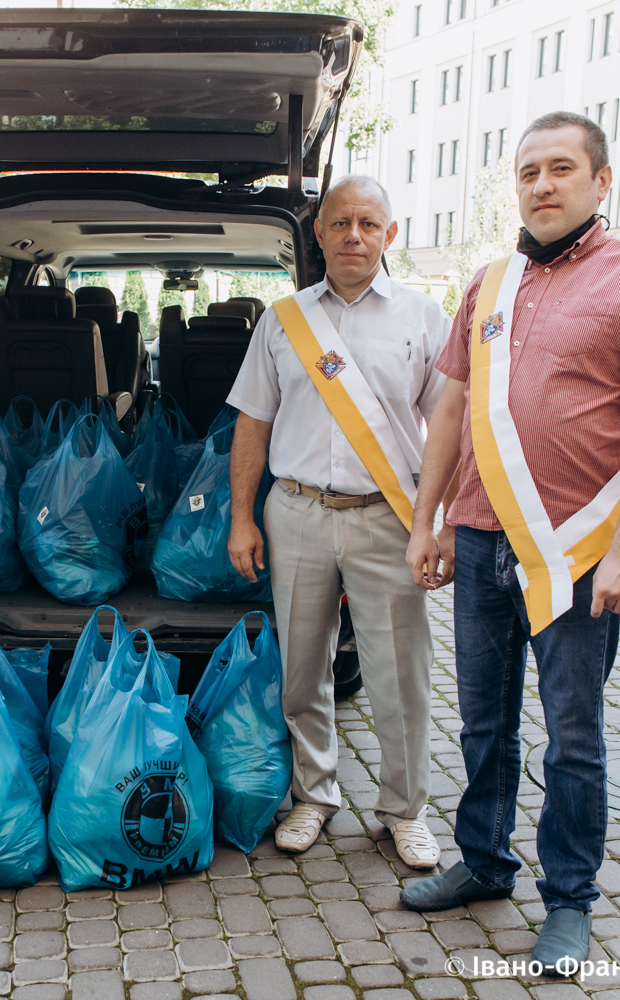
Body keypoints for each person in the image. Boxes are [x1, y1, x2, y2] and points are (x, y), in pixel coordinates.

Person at [397, 112, 620, 974]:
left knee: (573, 737)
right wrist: (428, 522)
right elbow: (451, 413)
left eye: (562, 168)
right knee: (483, 724)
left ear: (602, 181)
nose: (542, 184)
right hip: (478, 541)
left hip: (576, 553)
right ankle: (485, 863)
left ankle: (568, 900)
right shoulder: (488, 284)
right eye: (529, 170)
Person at [225, 175, 450, 870]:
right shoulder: (282, 319)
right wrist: (241, 518)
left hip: (389, 518)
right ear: (318, 233)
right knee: (302, 671)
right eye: (341, 223)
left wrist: (439, 523)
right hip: (295, 512)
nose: (354, 235)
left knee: (399, 675)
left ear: (390, 235)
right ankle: (313, 796)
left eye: (369, 223)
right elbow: (252, 424)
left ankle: (404, 810)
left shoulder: (424, 317)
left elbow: (451, 428)